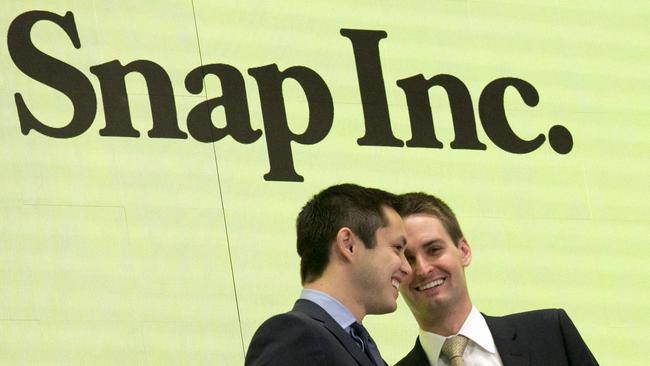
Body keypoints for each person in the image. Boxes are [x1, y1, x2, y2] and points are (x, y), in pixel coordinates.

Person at [394, 192, 599, 366]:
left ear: (464, 251)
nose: (423, 268)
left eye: (434, 250)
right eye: (408, 258)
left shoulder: (550, 334)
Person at [245, 183, 412, 366]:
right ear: (348, 245)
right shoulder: (295, 336)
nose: (407, 268)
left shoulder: (362, 348)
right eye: (397, 248)